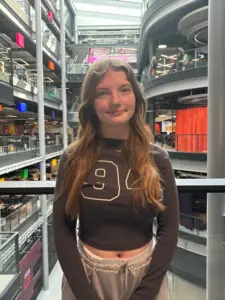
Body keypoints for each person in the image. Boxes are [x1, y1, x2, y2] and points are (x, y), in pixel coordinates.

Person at [53, 58, 179, 300]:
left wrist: (145, 294)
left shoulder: (158, 158)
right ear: (91, 103)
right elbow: (62, 230)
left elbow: (169, 229)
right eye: (103, 93)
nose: (115, 101)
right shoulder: (73, 158)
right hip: (87, 278)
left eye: (124, 89)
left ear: (136, 97)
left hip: (145, 276)